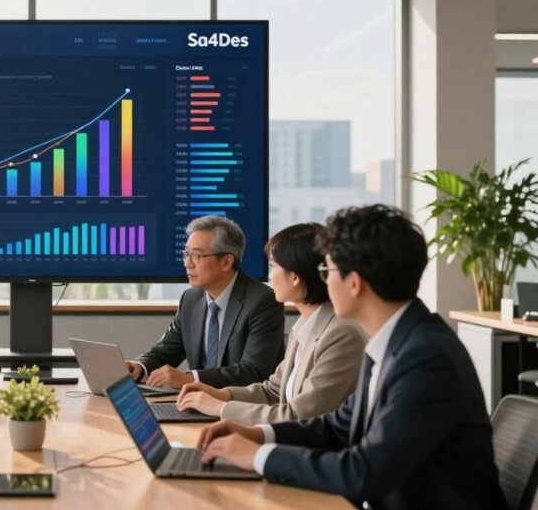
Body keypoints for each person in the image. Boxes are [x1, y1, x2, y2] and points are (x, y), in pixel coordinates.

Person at [198, 205, 506, 510]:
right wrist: (254, 434)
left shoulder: (426, 358)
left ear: (355, 282)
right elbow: (336, 427)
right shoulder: (392, 342)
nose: (324, 282)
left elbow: (365, 471)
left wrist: (257, 457)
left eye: (327, 271)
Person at [175, 223, 366, 424]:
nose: (269, 276)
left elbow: (297, 416)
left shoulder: (342, 334)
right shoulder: (304, 326)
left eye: (274, 266)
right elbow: (272, 391)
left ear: (294, 277)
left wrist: (220, 408)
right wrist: (220, 394)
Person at [126, 216, 285, 389]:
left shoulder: (262, 301)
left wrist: (189, 378)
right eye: (186, 254)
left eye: (196, 256)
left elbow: (253, 371)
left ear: (226, 262)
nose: (187, 263)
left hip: (242, 408)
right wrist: (140, 367)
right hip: (197, 404)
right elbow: (167, 350)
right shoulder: (190, 299)